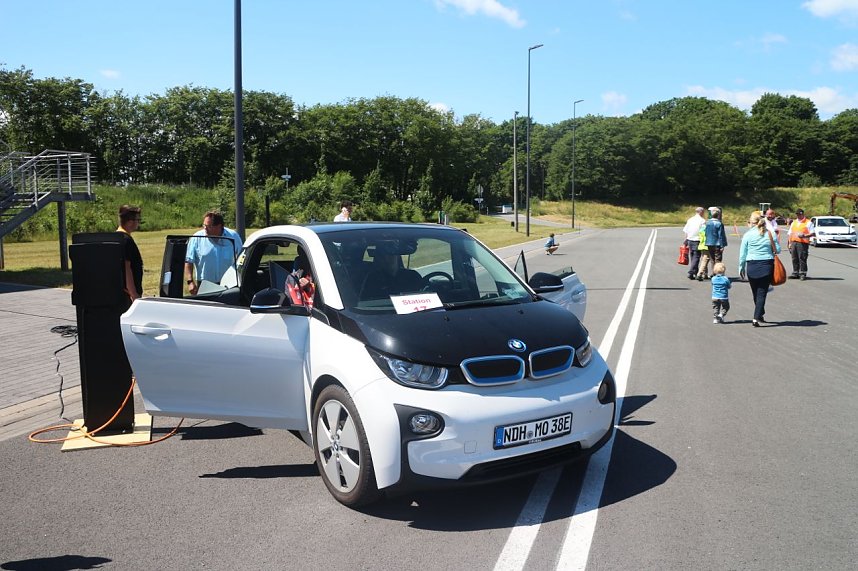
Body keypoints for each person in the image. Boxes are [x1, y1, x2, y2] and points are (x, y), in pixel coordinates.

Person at [184, 211, 243, 295]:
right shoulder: (196, 238)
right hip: (205, 284)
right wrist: (190, 282)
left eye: (209, 226)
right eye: (204, 225)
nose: (205, 228)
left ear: (219, 226)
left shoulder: (233, 236)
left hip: (229, 283)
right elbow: (188, 261)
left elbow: (242, 257)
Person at [738, 212, 780, 327]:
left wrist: (741, 268)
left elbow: (743, 253)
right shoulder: (770, 233)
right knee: (761, 293)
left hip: (751, 265)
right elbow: (778, 249)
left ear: (752, 223)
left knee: (755, 292)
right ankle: (757, 316)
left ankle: (758, 314)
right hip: (766, 265)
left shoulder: (747, 235)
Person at [116, 204, 143, 303]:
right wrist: (134, 294)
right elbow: (126, 268)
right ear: (130, 222)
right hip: (128, 295)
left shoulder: (116, 237)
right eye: (138, 220)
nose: (138, 223)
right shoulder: (126, 241)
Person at [696, 207, 728, 281]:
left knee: (712, 259)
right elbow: (720, 235)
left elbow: (706, 233)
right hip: (717, 243)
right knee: (718, 259)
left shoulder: (708, 223)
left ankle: (714, 272)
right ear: (718, 215)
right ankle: (717, 273)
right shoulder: (719, 224)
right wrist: (722, 245)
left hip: (709, 243)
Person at [787, 208, 815, 280]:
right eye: (797, 214)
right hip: (793, 242)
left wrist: (804, 235)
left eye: (800, 214)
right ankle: (795, 272)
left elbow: (812, 233)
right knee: (794, 258)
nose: (798, 216)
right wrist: (789, 243)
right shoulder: (794, 222)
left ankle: (803, 273)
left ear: (803, 214)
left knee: (802, 258)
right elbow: (790, 233)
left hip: (802, 243)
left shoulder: (808, 222)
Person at [682, 207, 706, 280]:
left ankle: (694, 272)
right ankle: (691, 272)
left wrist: (685, 240)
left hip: (690, 239)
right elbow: (703, 231)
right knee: (696, 256)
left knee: (692, 256)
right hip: (697, 239)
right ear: (701, 212)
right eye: (703, 212)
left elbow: (686, 231)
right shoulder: (702, 221)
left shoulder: (690, 220)